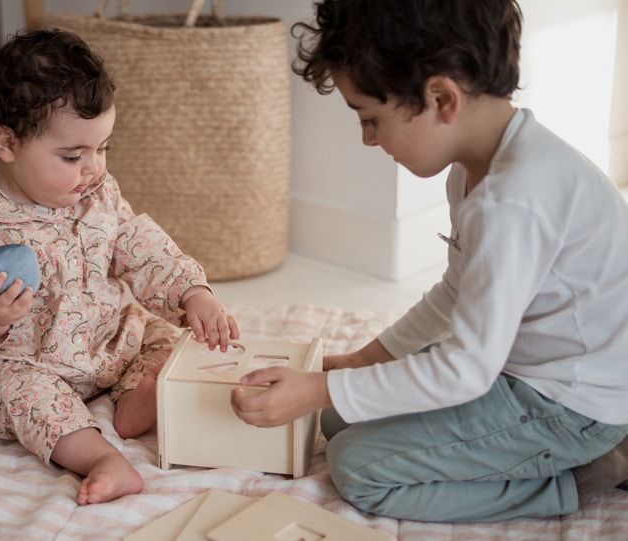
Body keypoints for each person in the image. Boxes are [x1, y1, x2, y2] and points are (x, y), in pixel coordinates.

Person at [231, 0, 628, 523]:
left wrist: (321, 386)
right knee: (333, 416)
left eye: (371, 119)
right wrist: (363, 360)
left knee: (357, 466)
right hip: (518, 367)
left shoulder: (511, 203)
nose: (368, 139)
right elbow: (456, 290)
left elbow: (465, 369)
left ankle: (582, 477)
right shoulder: (476, 169)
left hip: (569, 407)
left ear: (441, 97)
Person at [0, 28, 239, 506]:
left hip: (105, 338)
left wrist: (192, 293)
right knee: (18, 394)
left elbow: (139, 244)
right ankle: (98, 456)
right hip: (29, 360)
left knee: (164, 336)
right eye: (73, 155)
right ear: (7, 144)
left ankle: (136, 397)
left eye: (102, 148)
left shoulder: (97, 192)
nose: (93, 168)